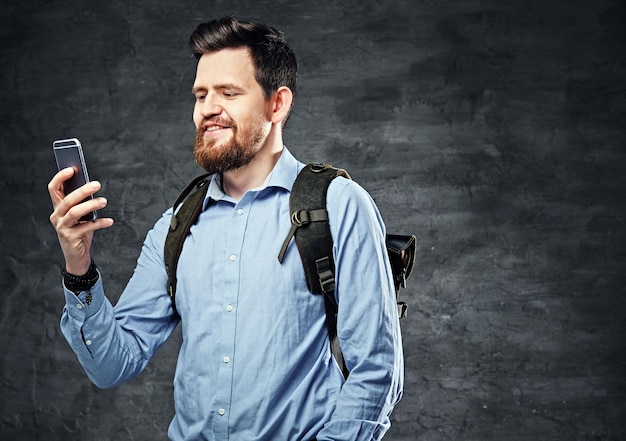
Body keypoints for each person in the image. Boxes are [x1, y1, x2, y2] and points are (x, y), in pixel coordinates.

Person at [48, 16, 403, 441]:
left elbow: (376, 370)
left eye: (228, 93)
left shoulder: (339, 205)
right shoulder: (177, 224)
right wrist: (78, 264)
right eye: (201, 94)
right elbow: (113, 364)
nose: (208, 109)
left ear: (277, 104)